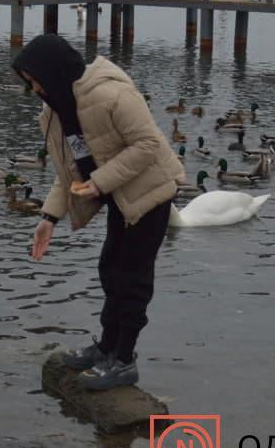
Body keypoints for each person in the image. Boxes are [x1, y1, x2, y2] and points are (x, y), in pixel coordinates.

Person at [14, 34, 183, 391]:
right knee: (110, 269)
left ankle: (124, 360)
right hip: (119, 197)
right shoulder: (57, 110)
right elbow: (68, 171)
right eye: (29, 82)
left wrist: (100, 182)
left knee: (133, 277)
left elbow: (149, 144)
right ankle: (106, 347)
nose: (34, 89)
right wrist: (48, 219)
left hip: (150, 192)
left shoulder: (111, 94)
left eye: (35, 80)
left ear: (53, 71)